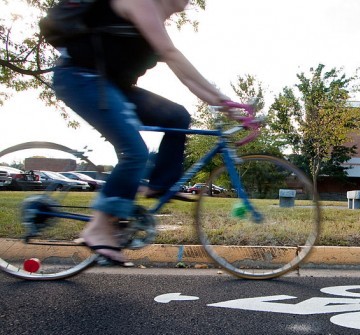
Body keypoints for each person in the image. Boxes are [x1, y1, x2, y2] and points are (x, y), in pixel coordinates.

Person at [52, 0, 233, 264]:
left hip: (112, 86)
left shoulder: (156, 19)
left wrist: (223, 102)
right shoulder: (140, 1)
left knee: (176, 115)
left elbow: (184, 74)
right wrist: (222, 101)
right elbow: (171, 54)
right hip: (81, 78)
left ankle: (161, 185)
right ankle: (98, 226)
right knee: (134, 153)